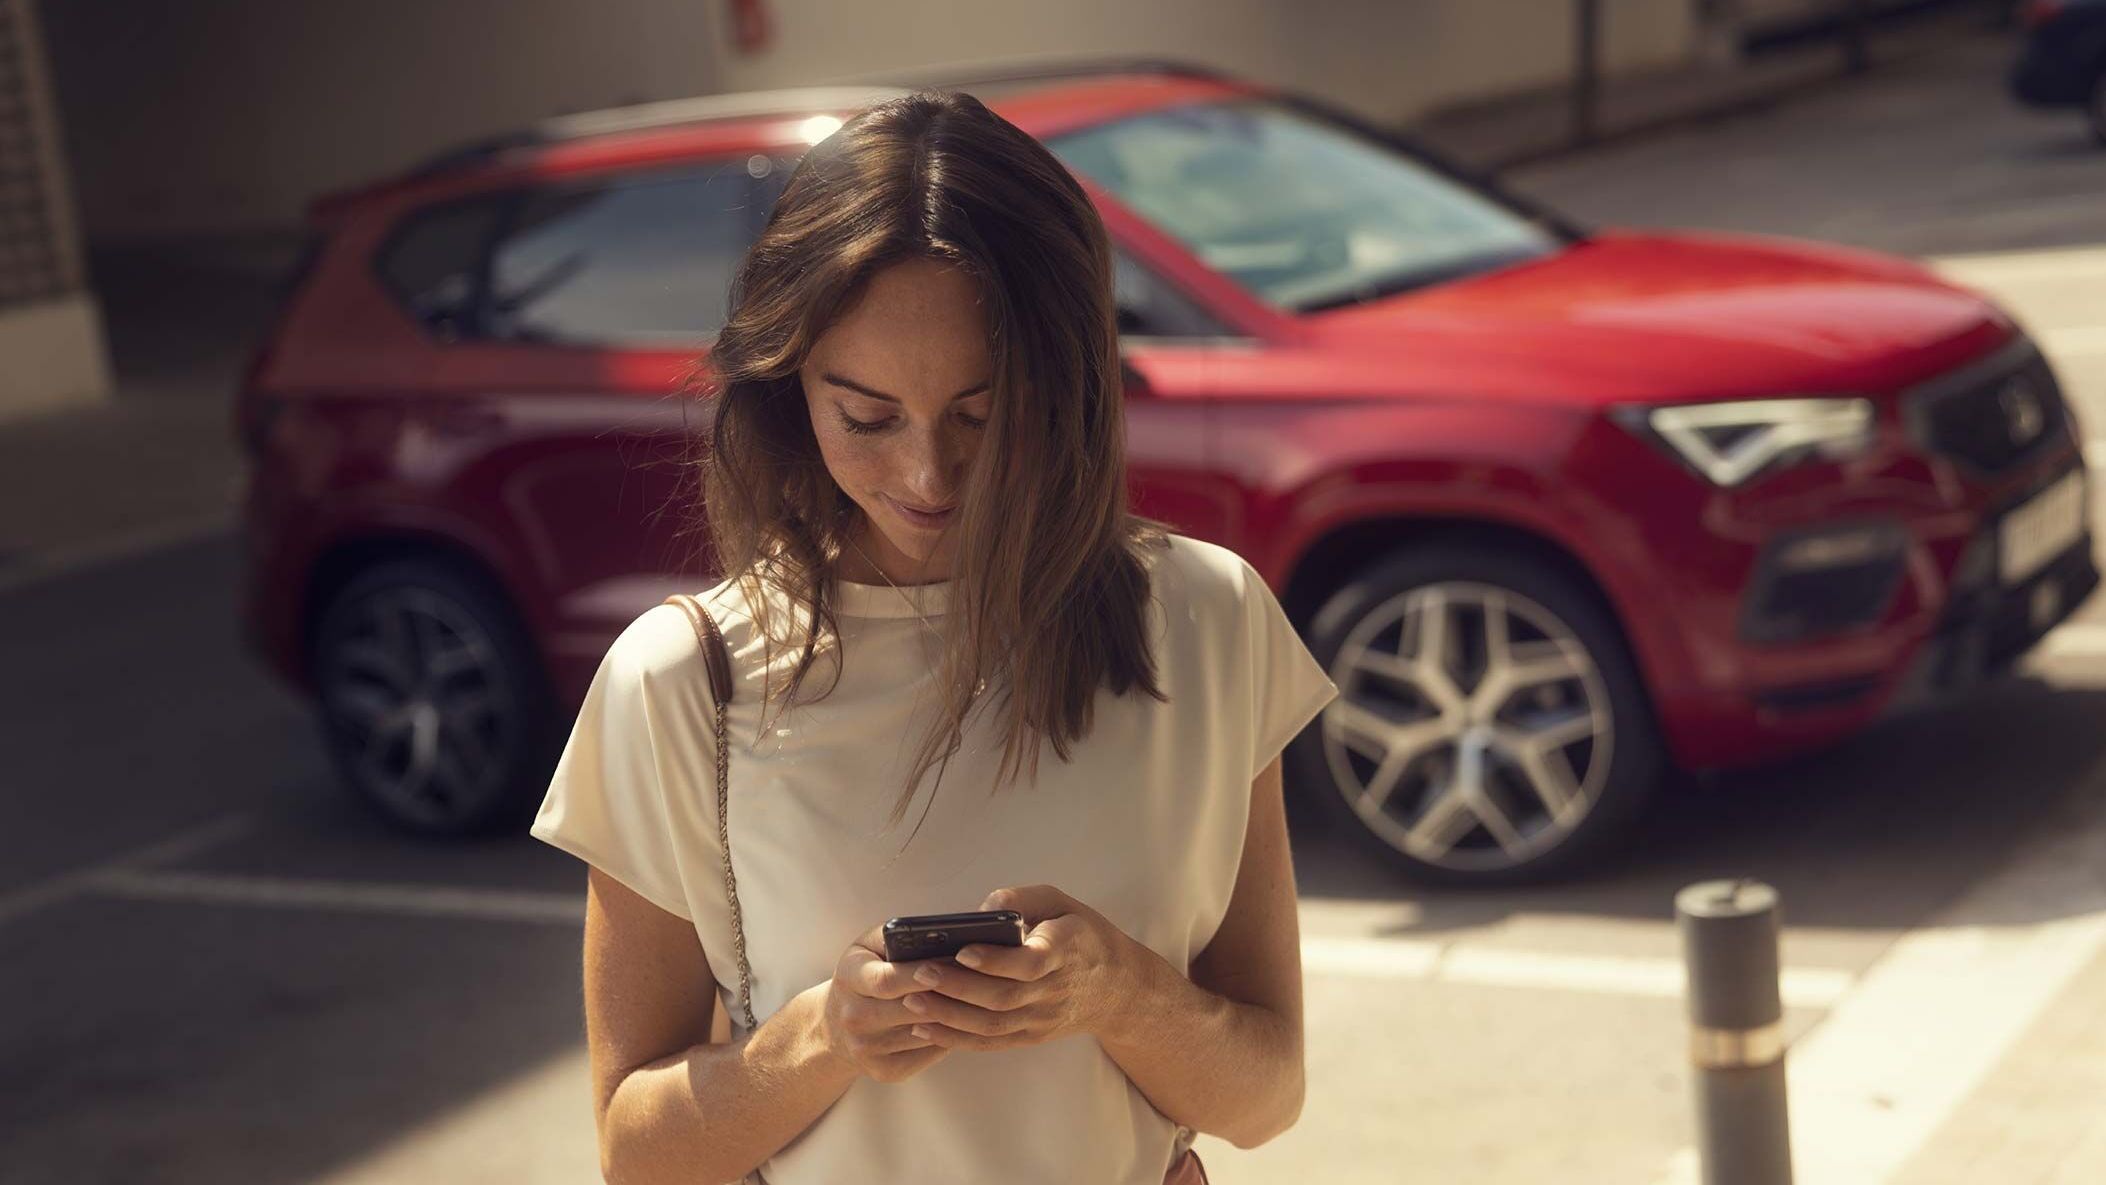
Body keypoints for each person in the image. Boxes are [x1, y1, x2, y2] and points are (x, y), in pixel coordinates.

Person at [529, 89, 1339, 1185]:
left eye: (980, 413)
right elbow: (637, 1155)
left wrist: (1121, 995)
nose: (927, 476)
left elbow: (1267, 1099)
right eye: (865, 416)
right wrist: (821, 1040)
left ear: (1071, 387)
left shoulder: (1206, 619)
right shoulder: (683, 684)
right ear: (787, 387)